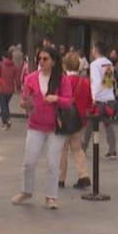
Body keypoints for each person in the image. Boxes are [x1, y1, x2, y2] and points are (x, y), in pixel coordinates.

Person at [14, 46, 73, 210]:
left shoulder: (62, 79)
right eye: (39, 58)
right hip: (35, 124)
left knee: (53, 163)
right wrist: (24, 104)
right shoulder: (31, 78)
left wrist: (56, 98)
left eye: (45, 59)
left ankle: (51, 196)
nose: (41, 62)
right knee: (29, 161)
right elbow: (25, 97)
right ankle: (26, 190)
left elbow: (68, 101)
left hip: (55, 126)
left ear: (54, 61)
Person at [59, 52, 92, 190]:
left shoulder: (63, 80)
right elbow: (90, 101)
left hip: (65, 120)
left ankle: (60, 178)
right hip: (80, 120)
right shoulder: (84, 82)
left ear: (65, 65)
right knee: (77, 149)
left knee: (63, 149)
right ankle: (83, 175)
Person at [85, 41, 118, 159]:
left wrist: (94, 98)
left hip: (99, 99)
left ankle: (83, 147)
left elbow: (96, 82)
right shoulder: (108, 63)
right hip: (108, 98)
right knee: (108, 124)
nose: (92, 49)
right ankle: (112, 149)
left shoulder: (94, 64)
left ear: (97, 50)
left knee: (89, 123)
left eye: (93, 47)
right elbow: (108, 82)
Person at [0, 49, 22, 130]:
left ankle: (5, 122)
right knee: (6, 105)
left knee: (3, 106)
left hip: (1, 88)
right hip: (10, 89)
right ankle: (7, 119)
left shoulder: (0, 64)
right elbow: (17, 79)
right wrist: (19, 88)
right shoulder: (15, 66)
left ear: (3, 57)